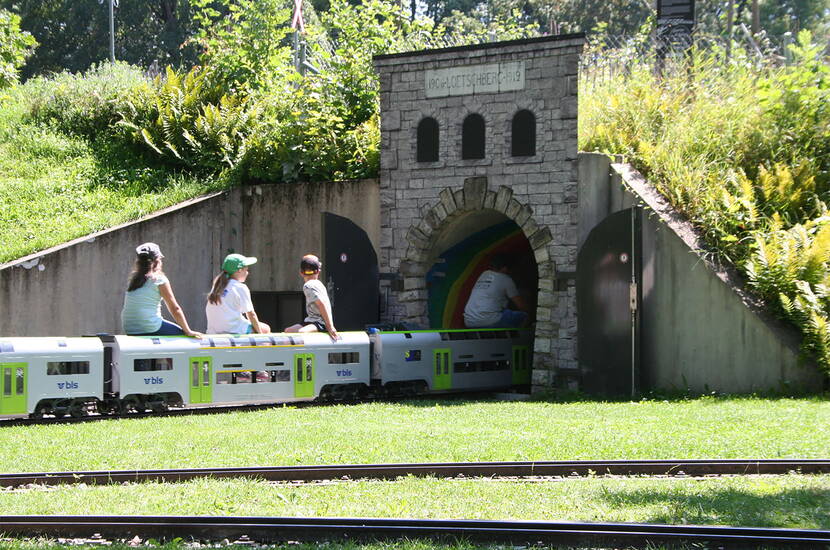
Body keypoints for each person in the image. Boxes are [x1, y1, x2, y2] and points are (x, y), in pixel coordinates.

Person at [121, 242, 203, 338]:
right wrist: (188, 331)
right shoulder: (159, 280)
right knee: (183, 337)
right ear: (157, 261)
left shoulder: (134, 280)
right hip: (150, 326)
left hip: (129, 328)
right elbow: (174, 308)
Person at [205, 253, 271, 334]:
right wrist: (261, 336)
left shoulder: (217, 286)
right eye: (246, 270)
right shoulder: (240, 287)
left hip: (213, 332)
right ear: (239, 270)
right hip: (233, 330)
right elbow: (251, 314)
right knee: (266, 329)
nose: (247, 273)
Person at [463, 254, 529, 329]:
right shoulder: (506, 279)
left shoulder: (484, 274)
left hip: (469, 321)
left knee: (505, 312)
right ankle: (519, 339)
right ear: (505, 268)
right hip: (489, 321)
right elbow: (521, 306)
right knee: (524, 316)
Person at [285, 254, 338, 340]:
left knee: (300, 333)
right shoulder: (317, 283)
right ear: (318, 271)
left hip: (320, 322)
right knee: (288, 331)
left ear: (301, 272)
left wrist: (330, 326)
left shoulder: (309, 285)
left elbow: (321, 304)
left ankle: (303, 354)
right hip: (310, 321)